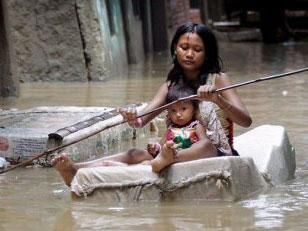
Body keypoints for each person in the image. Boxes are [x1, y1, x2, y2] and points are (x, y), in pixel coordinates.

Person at [52, 22, 252, 186]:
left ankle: (165, 160)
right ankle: (75, 170)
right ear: (175, 49)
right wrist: (133, 118)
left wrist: (218, 99)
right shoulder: (170, 85)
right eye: (184, 48)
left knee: (205, 145)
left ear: (207, 53)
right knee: (134, 153)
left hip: (214, 152)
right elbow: (142, 119)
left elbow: (246, 120)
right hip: (171, 151)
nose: (189, 54)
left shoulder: (218, 79)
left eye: (197, 50)